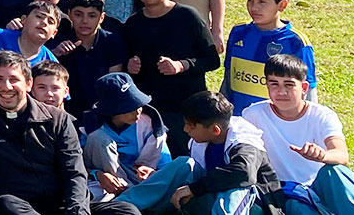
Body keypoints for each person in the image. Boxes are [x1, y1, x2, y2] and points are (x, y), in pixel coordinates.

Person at [0, 52, 140, 215]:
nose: (6, 87)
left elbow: (74, 172)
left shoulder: (58, 119)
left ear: (28, 84)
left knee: (127, 211)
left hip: (63, 206)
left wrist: (77, 212)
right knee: (6, 204)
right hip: (17, 208)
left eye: (14, 79)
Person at [243, 54, 354, 215]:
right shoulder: (254, 114)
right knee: (296, 207)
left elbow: (342, 155)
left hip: (319, 186)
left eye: (289, 85)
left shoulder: (322, 115)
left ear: (303, 88)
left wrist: (322, 155)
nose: (281, 91)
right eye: (274, 84)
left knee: (335, 171)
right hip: (284, 191)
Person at [113, 92, 280, 215]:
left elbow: (244, 173)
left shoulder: (244, 139)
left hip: (256, 205)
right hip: (210, 195)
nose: (185, 130)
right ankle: (120, 207)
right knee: (184, 164)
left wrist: (194, 189)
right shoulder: (200, 139)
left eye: (190, 126)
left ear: (215, 130)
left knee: (235, 189)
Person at [123, 0, 221, 156]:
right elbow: (126, 62)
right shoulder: (133, 24)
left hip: (186, 110)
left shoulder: (188, 17)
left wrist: (182, 65)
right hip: (151, 110)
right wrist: (129, 65)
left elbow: (212, 60)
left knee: (187, 163)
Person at [223, 0, 316, 112]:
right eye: (250, 0)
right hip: (239, 123)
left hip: (275, 125)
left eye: (262, 2)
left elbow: (308, 90)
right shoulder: (238, 33)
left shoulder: (295, 42)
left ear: (282, 5)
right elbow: (229, 79)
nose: (253, 7)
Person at [81, 72, 170, 203]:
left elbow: (165, 167)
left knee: (183, 165)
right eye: (129, 108)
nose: (137, 111)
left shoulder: (150, 126)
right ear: (111, 110)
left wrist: (151, 171)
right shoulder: (90, 129)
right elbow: (76, 164)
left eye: (138, 104)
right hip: (107, 185)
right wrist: (97, 174)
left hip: (145, 183)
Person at [51, 0, 128, 117]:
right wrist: (56, 54)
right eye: (78, 14)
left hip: (101, 110)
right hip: (66, 111)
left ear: (101, 17)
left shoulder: (112, 42)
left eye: (92, 16)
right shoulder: (59, 40)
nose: (85, 21)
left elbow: (114, 80)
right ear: (69, 14)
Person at [0, 1, 61, 65]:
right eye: (39, 17)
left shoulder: (50, 63)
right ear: (24, 19)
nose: (44, 23)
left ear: (54, 33)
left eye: (50, 22)